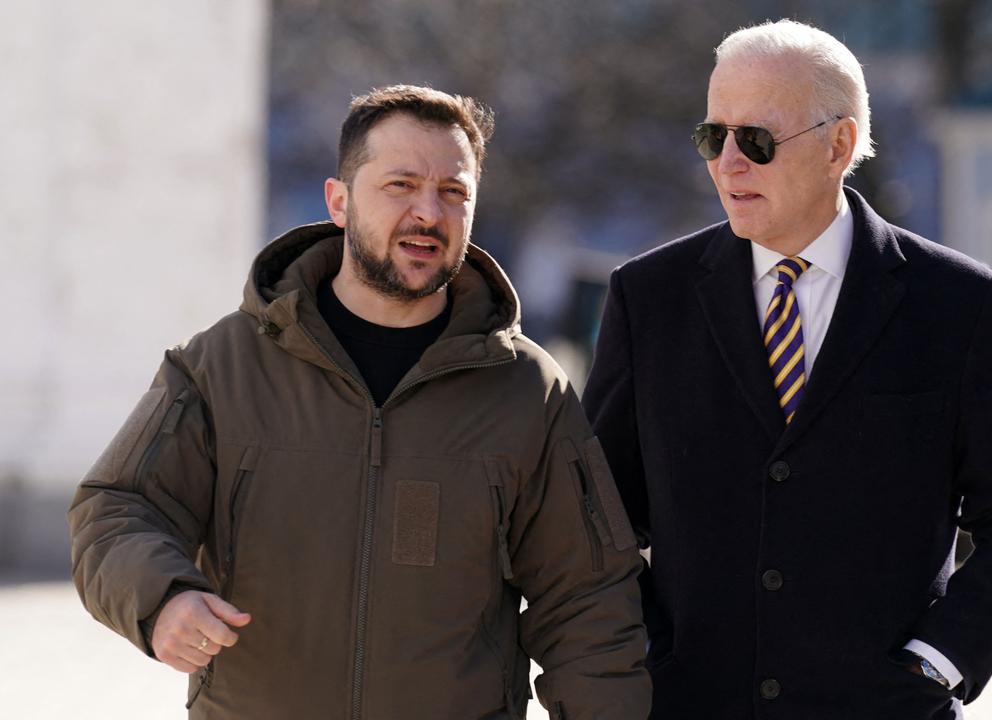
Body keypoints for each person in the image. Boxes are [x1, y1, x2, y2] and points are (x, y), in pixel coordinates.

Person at [68, 84, 649, 719]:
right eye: (401, 184)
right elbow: (117, 507)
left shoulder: (527, 392)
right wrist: (162, 598)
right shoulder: (222, 365)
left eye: (454, 192)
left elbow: (590, 598)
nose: (429, 212)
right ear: (339, 202)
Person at [583, 20, 992, 719]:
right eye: (712, 137)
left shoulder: (957, 304)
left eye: (755, 140)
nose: (728, 164)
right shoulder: (648, 299)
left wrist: (936, 665)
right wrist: (652, 660)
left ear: (839, 144)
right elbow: (598, 528)